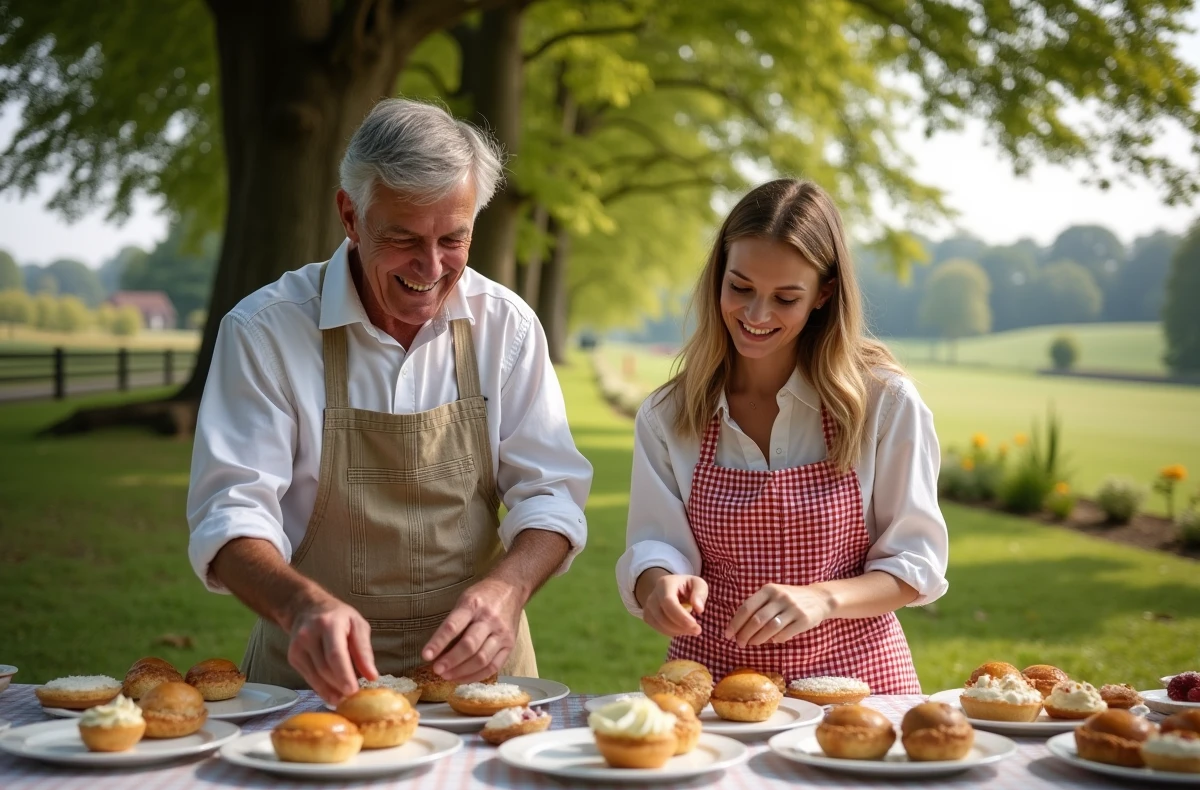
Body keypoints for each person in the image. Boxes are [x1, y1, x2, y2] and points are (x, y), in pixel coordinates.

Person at [187, 98, 592, 705]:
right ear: (350, 214)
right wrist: (299, 607)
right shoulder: (265, 330)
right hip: (309, 686)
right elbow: (230, 512)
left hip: (479, 684)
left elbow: (551, 494)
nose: (430, 268)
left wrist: (508, 588)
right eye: (403, 238)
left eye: (454, 239)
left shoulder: (506, 327)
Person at [616, 179, 948, 692]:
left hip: (855, 684)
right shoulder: (669, 414)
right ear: (717, 277)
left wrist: (823, 598)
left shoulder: (883, 402)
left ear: (824, 294)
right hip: (717, 682)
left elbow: (914, 563)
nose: (755, 315)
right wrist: (659, 582)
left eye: (785, 298)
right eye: (740, 287)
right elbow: (655, 544)